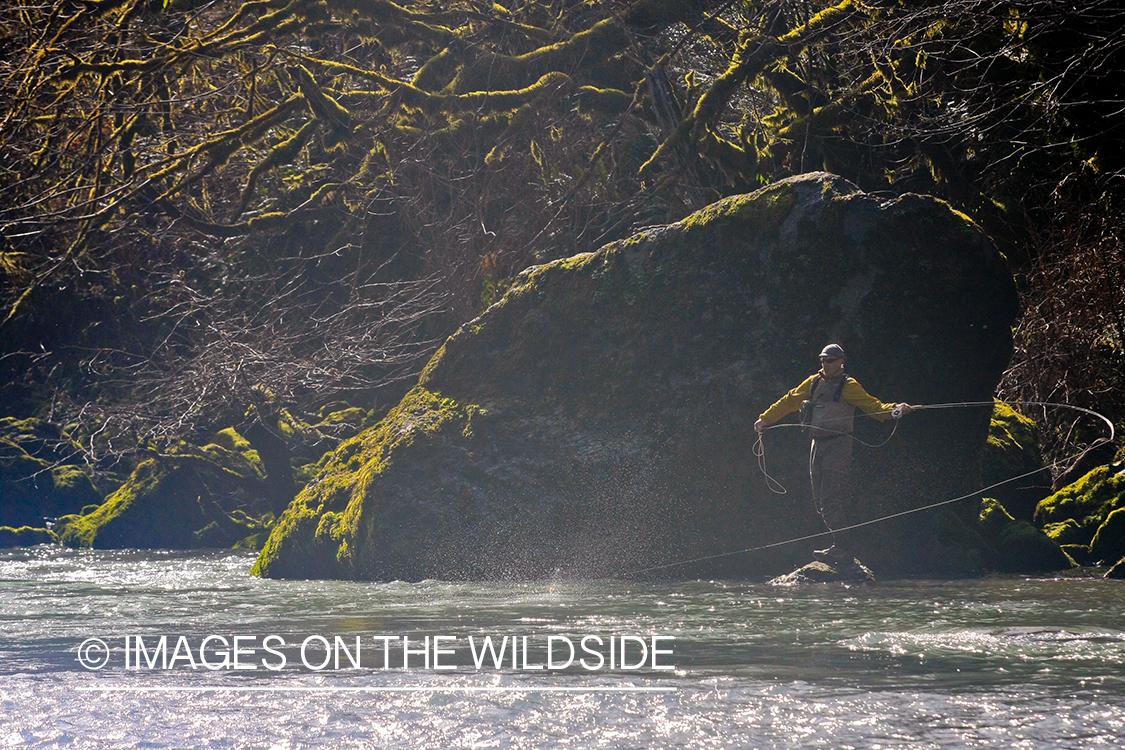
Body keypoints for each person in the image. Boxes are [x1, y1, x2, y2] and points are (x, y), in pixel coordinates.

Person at [754, 344, 912, 563]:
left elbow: (873, 406)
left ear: (840, 361)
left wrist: (895, 410)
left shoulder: (849, 385)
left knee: (830, 497)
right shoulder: (813, 382)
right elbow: (789, 400)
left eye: (830, 361)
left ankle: (843, 547)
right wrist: (765, 419)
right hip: (816, 444)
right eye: (823, 361)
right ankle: (839, 544)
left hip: (839, 445)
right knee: (820, 500)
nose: (825, 365)